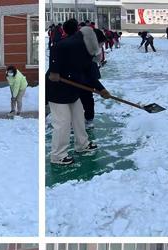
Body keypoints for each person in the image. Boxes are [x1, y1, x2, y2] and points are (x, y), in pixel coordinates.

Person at [47, 20, 110, 165]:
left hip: (72, 88)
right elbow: (56, 47)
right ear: (96, 41)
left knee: (78, 117)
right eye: (101, 44)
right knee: (62, 122)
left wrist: (101, 89)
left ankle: (82, 145)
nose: (101, 48)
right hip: (57, 88)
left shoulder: (86, 49)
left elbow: (88, 72)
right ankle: (58, 156)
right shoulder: (75, 44)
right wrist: (54, 71)